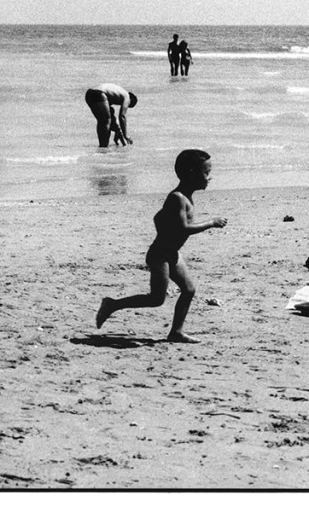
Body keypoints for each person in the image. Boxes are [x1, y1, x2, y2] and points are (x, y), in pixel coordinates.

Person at [96, 149, 227, 343]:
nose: (210, 177)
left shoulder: (185, 196)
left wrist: (165, 232)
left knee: (189, 290)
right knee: (156, 299)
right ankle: (112, 304)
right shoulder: (177, 198)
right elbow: (183, 228)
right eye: (206, 173)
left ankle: (176, 332)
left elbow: (158, 217)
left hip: (172, 253)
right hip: (160, 255)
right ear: (191, 174)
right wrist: (211, 222)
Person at [85, 83, 137, 148]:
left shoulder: (116, 93)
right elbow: (122, 116)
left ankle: (102, 146)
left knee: (102, 120)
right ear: (131, 100)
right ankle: (103, 147)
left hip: (89, 94)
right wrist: (126, 135)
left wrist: (118, 131)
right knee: (106, 121)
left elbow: (111, 117)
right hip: (99, 94)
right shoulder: (127, 97)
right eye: (128, 105)